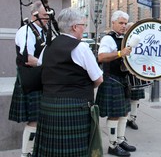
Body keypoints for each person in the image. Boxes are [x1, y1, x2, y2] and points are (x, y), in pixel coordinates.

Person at [32, 8, 103, 156]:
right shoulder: (81, 47)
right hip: (76, 106)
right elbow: (98, 79)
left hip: (48, 105)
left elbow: (40, 68)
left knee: (51, 151)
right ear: (75, 27)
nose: (84, 28)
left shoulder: (48, 46)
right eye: (83, 24)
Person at [8, 1, 48, 157]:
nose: (47, 19)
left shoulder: (43, 31)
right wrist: (49, 65)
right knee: (34, 119)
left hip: (40, 79)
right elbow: (28, 59)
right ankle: (26, 153)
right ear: (34, 15)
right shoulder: (26, 31)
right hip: (30, 80)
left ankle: (35, 151)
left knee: (40, 118)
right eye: (45, 16)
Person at [96, 10, 136, 157]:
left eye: (125, 23)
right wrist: (120, 53)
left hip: (123, 79)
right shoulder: (108, 39)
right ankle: (112, 145)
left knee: (124, 112)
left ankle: (120, 140)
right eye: (121, 23)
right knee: (114, 114)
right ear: (113, 23)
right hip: (112, 79)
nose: (124, 26)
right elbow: (101, 57)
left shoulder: (126, 38)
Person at [125, 22, 146, 130]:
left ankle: (132, 119)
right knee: (126, 97)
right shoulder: (124, 41)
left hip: (137, 73)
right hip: (126, 73)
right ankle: (125, 118)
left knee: (136, 98)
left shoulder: (139, 40)